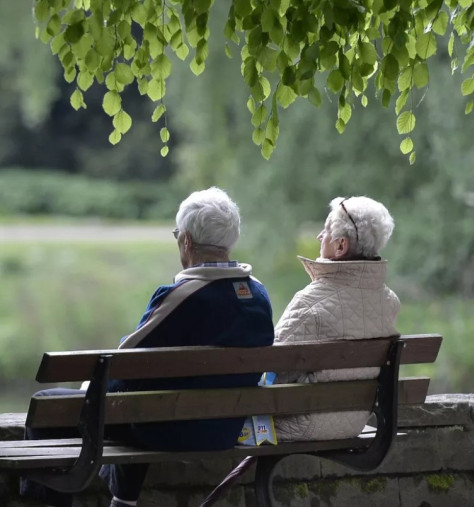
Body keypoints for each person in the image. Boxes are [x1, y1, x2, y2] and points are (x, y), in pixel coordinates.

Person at [21, 187, 275, 507]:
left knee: (54, 404)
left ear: (186, 241)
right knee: (144, 398)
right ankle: (123, 501)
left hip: (172, 431)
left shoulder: (182, 297)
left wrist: (90, 388)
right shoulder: (259, 296)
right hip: (225, 429)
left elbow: (123, 363)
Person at [273, 196, 400, 442]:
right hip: (353, 424)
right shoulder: (390, 302)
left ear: (340, 246)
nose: (320, 236)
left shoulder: (311, 302)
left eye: (327, 229)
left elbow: (272, 370)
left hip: (300, 424)